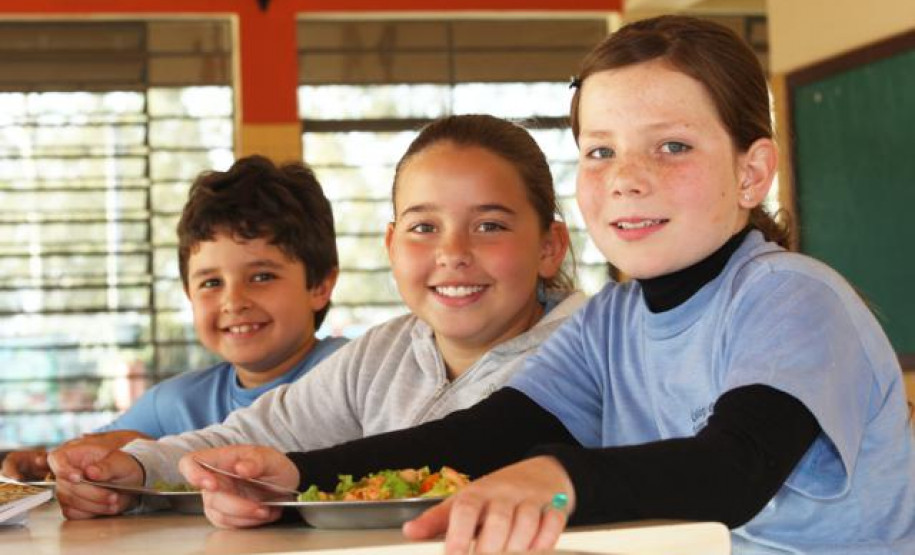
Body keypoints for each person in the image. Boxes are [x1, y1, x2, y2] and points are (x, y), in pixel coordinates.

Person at [178, 16, 914, 553]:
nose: (626, 178)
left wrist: (557, 476)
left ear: (751, 173)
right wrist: (296, 475)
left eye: (671, 146)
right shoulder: (610, 321)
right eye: (600, 151)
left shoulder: (792, 295)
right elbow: (484, 436)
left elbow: (733, 470)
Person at [47, 114, 588, 522]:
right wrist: (135, 471)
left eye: (490, 226)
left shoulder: (587, 347)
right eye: (424, 228)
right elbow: (257, 433)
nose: (453, 253)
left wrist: (293, 478)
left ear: (550, 246)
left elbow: (473, 449)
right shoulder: (381, 354)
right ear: (390, 245)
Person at [30, 155, 346, 512]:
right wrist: (53, 470)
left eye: (262, 276)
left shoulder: (354, 376)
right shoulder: (174, 403)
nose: (233, 302)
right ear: (189, 294)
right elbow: (89, 459)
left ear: (320, 285)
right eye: (211, 282)